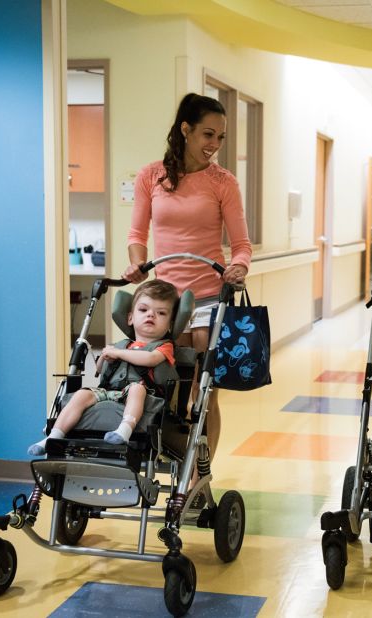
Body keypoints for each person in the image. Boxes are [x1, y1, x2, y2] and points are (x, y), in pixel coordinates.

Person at [122, 92, 253, 476]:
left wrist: (239, 267)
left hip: (210, 296)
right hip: (166, 300)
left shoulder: (223, 182)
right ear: (185, 129)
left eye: (220, 138)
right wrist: (137, 265)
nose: (214, 145)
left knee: (204, 392)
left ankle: (199, 474)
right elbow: (136, 232)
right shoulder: (152, 175)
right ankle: (167, 460)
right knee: (168, 387)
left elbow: (241, 244)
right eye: (207, 135)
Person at [29, 280, 178, 456]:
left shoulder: (164, 347)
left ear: (169, 325)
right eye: (143, 310)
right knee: (82, 394)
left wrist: (119, 353)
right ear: (130, 318)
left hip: (143, 394)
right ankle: (54, 435)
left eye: (160, 313)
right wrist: (104, 358)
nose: (151, 315)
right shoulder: (121, 345)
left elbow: (151, 359)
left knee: (137, 389)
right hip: (110, 392)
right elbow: (100, 371)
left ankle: (124, 430)